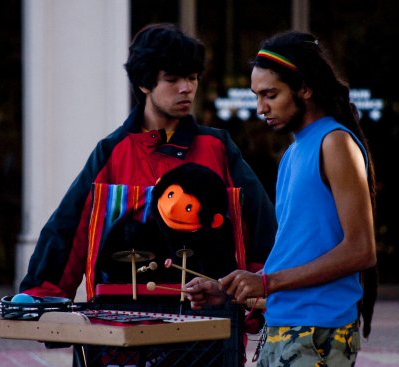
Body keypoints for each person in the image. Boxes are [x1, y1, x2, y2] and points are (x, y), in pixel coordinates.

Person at [19, 23, 277, 301]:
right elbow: (67, 232)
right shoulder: (112, 152)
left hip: (209, 326)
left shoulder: (218, 147)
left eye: (192, 77)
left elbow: (261, 224)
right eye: (172, 79)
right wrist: (41, 295)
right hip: (122, 325)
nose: (186, 88)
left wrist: (261, 293)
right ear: (144, 83)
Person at [185, 30, 378, 367]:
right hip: (283, 328)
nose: (261, 108)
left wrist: (267, 282)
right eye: (257, 96)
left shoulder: (335, 143)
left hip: (319, 333)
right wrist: (231, 292)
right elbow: (298, 252)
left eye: (270, 94)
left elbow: (361, 249)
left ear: (304, 88)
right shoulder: (293, 152)